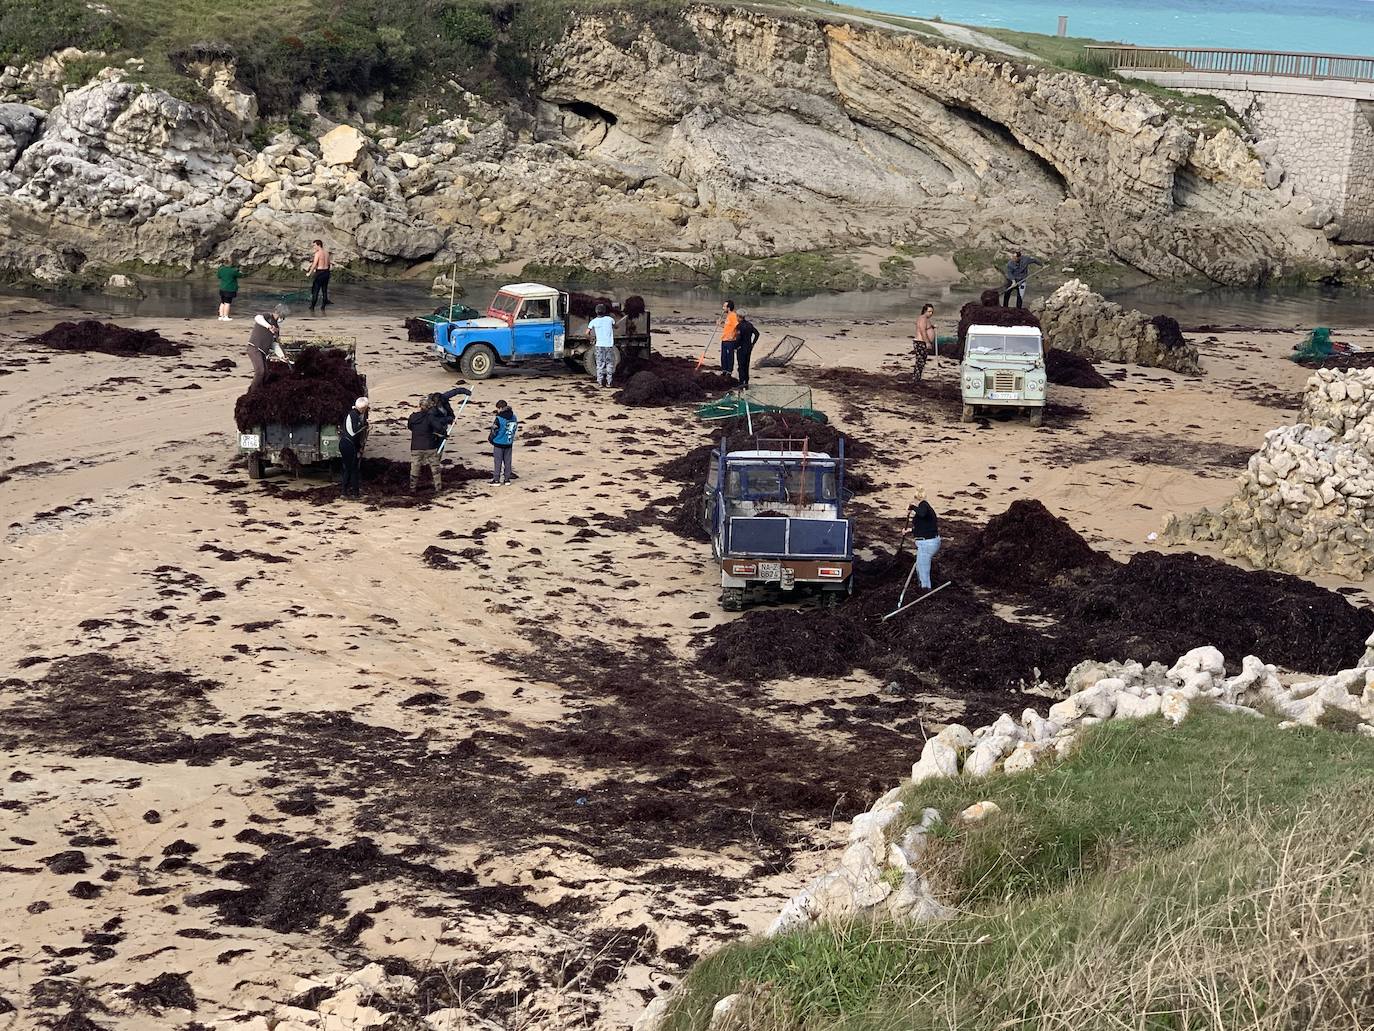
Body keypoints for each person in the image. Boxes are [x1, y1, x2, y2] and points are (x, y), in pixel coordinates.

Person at [407, 395, 448, 493]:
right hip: (430, 446)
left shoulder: (413, 417)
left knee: (415, 467)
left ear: (420, 406)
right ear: (430, 406)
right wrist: (444, 433)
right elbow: (439, 428)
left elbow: (410, 427)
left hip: (416, 446)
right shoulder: (431, 417)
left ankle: (412, 488)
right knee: (435, 467)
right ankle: (438, 488)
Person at [246, 306, 287, 387]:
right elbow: (257, 318)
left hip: (263, 352)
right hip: (254, 347)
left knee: (266, 373)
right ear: (279, 314)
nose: (282, 319)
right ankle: (253, 392)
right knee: (260, 372)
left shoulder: (277, 328)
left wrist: (282, 356)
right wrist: (269, 326)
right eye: (283, 317)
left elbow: (274, 344)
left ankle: (261, 389)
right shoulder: (267, 316)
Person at [339, 397, 369, 499]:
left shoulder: (353, 414)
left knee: (348, 468)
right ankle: (354, 493)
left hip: (346, 443)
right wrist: (365, 426)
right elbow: (354, 432)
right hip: (349, 445)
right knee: (353, 469)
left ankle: (345, 492)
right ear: (363, 408)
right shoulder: (354, 415)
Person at [909, 498, 941, 591]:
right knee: (919, 567)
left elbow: (922, 513)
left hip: (927, 544)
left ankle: (926, 591)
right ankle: (923, 588)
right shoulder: (926, 511)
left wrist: (913, 507)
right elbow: (923, 527)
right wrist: (910, 530)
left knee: (923, 572)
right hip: (927, 542)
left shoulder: (923, 506)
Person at [589, 302, 618, 388]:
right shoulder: (610, 319)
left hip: (599, 345)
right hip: (609, 345)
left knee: (600, 364)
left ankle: (600, 383)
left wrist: (591, 339)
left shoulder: (593, 321)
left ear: (596, 311)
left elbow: (586, 333)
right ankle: (609, 383)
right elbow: (616, 326)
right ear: (605, 311)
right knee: (609, 363)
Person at [489, 399, 518, 485]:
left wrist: (491, 439)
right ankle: (507, 479)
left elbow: (494, 430)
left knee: (498, 462)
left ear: (501, 408)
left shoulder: (498, 418)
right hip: (508, 442)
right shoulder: (514, 417)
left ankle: (496, 479)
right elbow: (514, 428)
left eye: (498, 409)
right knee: (508, 461)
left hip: (499, 443)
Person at [734, 312, 760, 389]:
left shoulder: (739, 326)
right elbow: (757, 334)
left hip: (741, 348)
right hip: (748, 347)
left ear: (739, 317)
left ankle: (741, 383)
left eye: (737, 317)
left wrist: (735, 346)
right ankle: (746, 383)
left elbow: (738, 338)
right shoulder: (749, 325)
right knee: (746, 365)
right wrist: (753, 343)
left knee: (741, 366)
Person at [308, 239, 332, 313]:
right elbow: (328, 264)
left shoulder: (318, 253)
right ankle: (323, 307)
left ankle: (312, 307)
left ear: (319, 245)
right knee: (324, 290)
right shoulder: (327, 253)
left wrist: (309, 272)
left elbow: (314, 264)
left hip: (320, 273)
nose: (314, 247)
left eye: (314, 245)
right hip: (326, 272)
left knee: (316, 290)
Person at [913, 303, 936, 381]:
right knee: (920, 362)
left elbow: (926, 328)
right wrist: (927, 342)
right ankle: (916, 379)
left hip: (922, 342)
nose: (931, 313)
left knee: (922, 362)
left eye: (932, 312)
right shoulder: (922, 318)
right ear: (925, 311)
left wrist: (932, 327)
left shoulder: (926, 319)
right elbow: (923, 331)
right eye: (929, 311)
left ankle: (918, 378)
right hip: (921, 342)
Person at [720, 300, 740, 375]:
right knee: (723, 356)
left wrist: (734, 336)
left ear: (728, 308)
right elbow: (727, 327)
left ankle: (729, 371)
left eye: (724, 306)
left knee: (729, 356)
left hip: (730, 340)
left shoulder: (733, 315)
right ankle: (724, 370)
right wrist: (720, 324)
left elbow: (737, 326)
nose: (723, 308)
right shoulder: (728, 316)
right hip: (724, 339)